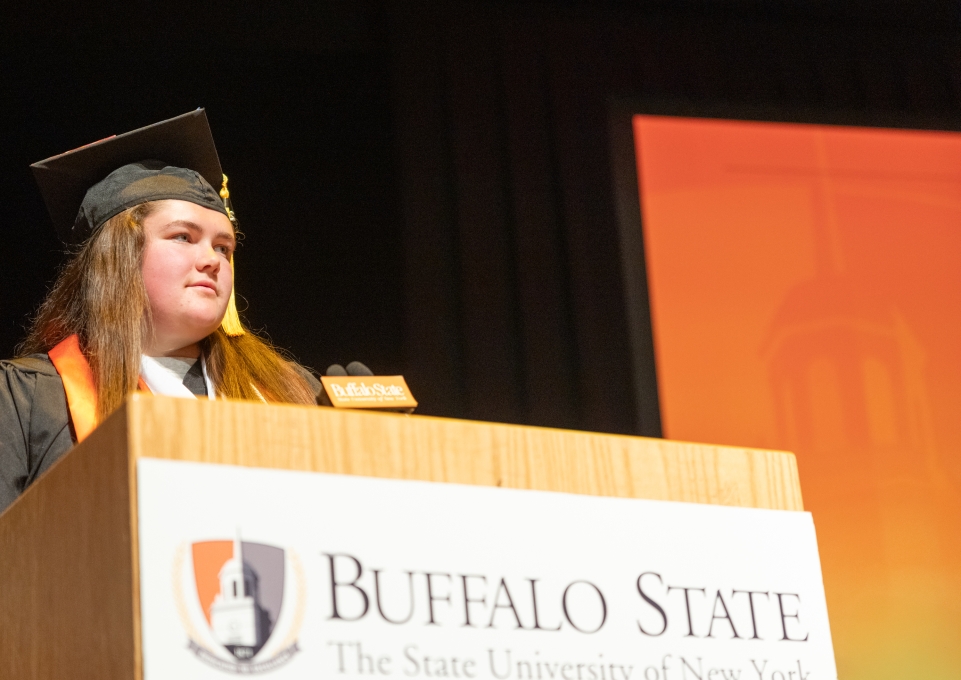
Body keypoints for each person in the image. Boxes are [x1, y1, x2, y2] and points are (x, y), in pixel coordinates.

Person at [0, 110, 322, 514]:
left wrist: (375, 428)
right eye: (183, 237)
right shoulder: (30, 399)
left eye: (223, 246)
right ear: (116, 257)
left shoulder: (290, 391)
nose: (212, 260)